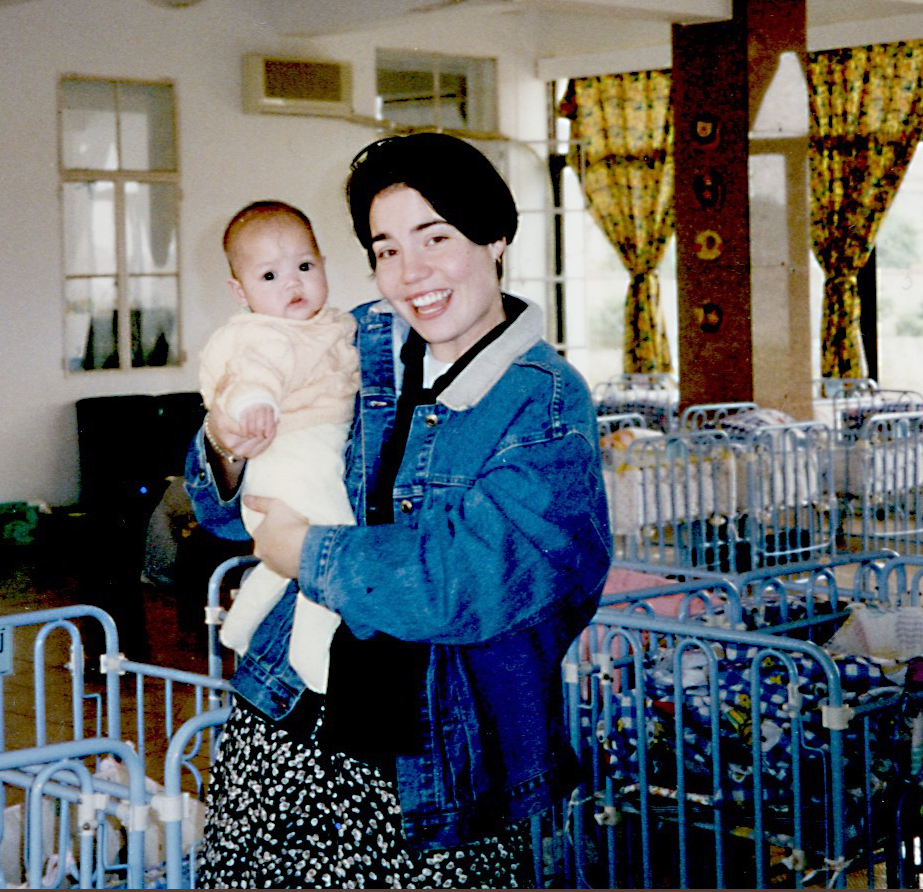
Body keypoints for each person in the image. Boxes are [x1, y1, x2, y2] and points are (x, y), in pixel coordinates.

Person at [186, 133, 611, 887]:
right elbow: (224, 516)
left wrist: (307, 552)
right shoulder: (353, 343)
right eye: (385, 250)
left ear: (494, 236)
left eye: (434, 238)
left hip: (437, 773)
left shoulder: (543, 403)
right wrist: (225, 444)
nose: (410, 273)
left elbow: (472, 580)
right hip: (283, 726)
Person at [197, 200, 359, 693]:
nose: (293, 284)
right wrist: (256, 405)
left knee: (283, 557)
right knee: (329, 543)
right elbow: (252, 376)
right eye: (270, 276)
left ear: (324, 264)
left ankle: (240, 624)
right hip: (294, 456)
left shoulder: (326, 325)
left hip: (306, 460)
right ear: (239, 291)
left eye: (305, 267)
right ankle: (310, 652)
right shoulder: (267, 334)